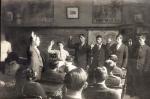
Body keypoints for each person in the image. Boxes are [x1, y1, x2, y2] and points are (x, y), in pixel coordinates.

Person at [133, 34, 150, 99]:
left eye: (141, 39)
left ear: (144, 39)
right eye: (139, 39)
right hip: (136, 67)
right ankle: (136, 93)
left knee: (142, 82)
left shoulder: (148, 48)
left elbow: (148, 60)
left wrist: (146, 69)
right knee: (136, 80)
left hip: (143, 68)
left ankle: (141, 95)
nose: (139, 40)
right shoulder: (137, 48)